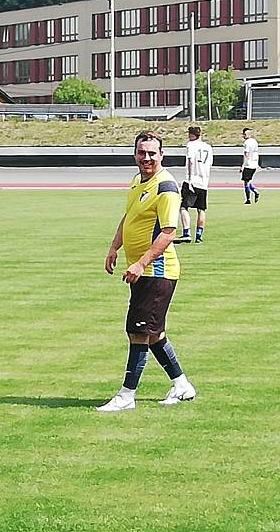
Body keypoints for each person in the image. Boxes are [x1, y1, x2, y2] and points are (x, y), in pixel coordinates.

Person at [99, 131, 196, 412]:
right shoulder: (137, 182)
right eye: (142, 153)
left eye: (152, 153)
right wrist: (114, 247)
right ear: (135, 155)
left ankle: (127, 395)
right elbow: (128, 217)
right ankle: (181, 384)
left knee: (138, 332)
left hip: (157, 271)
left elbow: (168, 232)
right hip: (143, 271)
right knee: (154, 333)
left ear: (162, 155)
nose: (147, 158)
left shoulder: (165, 186)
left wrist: (141, 262)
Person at [175, 125, 213, 244]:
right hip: (204, 181)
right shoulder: (208, 147)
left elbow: (191, 160)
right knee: (201, 209)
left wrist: (190, 179)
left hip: (193, 180)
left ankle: (187, 233)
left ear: (191, 135)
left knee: (183, 207)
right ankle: (199, 235)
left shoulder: (191, 145)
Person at [241, 127, 261, 204]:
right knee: (248, 181)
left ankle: (249, 198)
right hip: (254, 164)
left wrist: (243, 165)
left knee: (246, 182)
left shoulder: (247, 143)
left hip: (248, 164)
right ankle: (253, 192)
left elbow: (247, 154)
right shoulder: (254, 141)